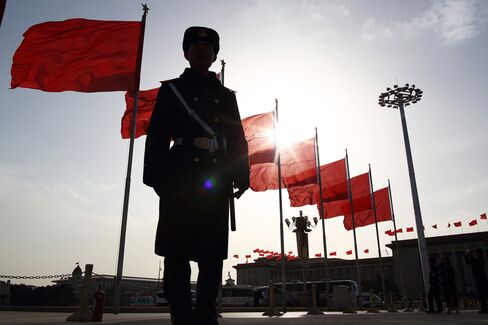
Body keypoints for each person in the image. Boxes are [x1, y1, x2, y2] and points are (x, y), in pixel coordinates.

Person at [143, 26, 250, 325]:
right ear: (186, 53)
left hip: (215, 178)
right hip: (180, 178)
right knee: (176, 252)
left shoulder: (226, 96)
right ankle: (180, 314)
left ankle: (206, 312)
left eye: (208, 48)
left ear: (215, 55)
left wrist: (242, 173)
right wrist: (156, 177)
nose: (202, 51)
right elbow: (157, 136)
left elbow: (237, 136)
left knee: (212, 253)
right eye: (195, 46)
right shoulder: (172, 89)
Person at [466, 248, 488, 313]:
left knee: (485, 292)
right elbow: (468, 262)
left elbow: (476, 262)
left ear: (478, 253)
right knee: (480, 294)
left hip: (482, 277)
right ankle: (484, 308)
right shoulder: (475, 259)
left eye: (475, 252)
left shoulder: (481, 259)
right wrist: (467, 255)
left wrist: (471, 255)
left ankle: (485, 307)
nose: (475, 253)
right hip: (477, 277)